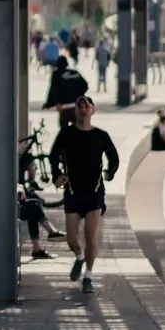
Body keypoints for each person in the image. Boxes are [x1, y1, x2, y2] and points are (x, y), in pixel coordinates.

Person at [50, 95, 119, 294]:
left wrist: (109, 172)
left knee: (90, 235)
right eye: (79, 106)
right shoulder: (66, 133)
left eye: (86, 106)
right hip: (72, 191)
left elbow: (114, 157)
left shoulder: (101, 135)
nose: (82, 109)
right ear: (76, 111)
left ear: (92, 111)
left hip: (94, 192)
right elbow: (53, 156)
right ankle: (79, 257)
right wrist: (57, 175)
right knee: (71, 239)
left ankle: (88, 276)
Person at [43, 55, 89, 129]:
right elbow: (85, 85)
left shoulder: (56, 74)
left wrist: (50, 103)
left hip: (64, 108)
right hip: (76, 107)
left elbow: (53, 90)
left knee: (64, 132)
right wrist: (79, 96)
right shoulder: (75, 73)